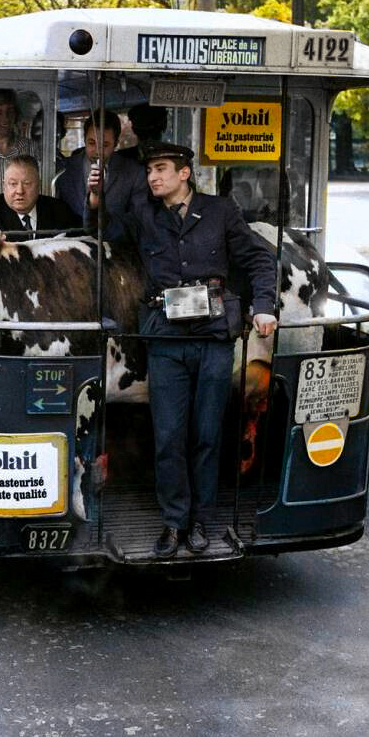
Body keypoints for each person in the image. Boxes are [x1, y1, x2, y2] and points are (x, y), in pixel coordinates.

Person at [86, 143, 278, 559]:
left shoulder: (220, 211)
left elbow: (261, 260)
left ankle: (200, 523)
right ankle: (174, 523)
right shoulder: (144, 215)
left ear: (184, 173)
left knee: (207, 436)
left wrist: (263, 306)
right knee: (169, 437)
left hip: (213, 339)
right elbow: (104, 233)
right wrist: (96, 200)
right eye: (149, 171)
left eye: (160, 169)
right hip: (166, 340)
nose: (152, 177)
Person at [55, 110, 143, 222]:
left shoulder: (134, 172)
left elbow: (137, 220)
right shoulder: (63, 168)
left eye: (105, 145)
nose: (97, 151)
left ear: (116, 143)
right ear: (84, 139)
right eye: (92, 143)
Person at [0, 155, 78, 237]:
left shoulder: (59, 211)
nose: (20, 191)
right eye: (13, 184)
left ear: (38, 185)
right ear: (4, 186)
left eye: (27, 183)